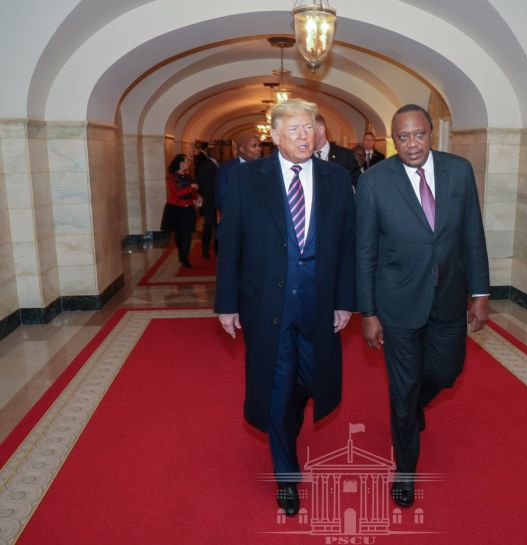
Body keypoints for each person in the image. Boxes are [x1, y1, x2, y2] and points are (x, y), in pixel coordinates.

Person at [215, 99, 356, 517]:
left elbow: (348, 243)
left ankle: (292, 412)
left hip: (320, 304)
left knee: (312, 381)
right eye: (292, 130)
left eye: (308, 128)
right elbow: (231, 245)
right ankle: (286, 475)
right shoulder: (246, 180)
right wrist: (226, 304)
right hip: (267, 307)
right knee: (276, 390)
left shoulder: (335, 177)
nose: (302, 136)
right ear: (273, 136)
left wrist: (346, 300)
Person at [355, 104, 490, 508]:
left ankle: (413, 407)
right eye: (402, 137)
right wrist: (368, 312)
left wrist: (480, 293)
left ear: (432, 134)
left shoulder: (459, 171)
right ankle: (406, 469)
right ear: (391, 140)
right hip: (396, 302)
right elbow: (365, 251)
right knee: (403, 385)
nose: (411, 144)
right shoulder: (375, 181)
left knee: (448, 372)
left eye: (419, 134)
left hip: (448, 295)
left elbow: (472, 233)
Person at [160, 154, 200, 267]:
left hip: (188, 209)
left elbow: (194, 193)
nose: (189, 163)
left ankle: (184, 258)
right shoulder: (171, 178)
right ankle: (182, 253)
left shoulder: (189, 177)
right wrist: (191, 187)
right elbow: (177, 193)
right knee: (178, 235)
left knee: (187, 234)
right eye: (187, 161)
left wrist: (196, 199)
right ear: (181, 163)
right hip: (175, 209)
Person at [215, 132, 262, 211]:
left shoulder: (265, 166)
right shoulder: (227, 169)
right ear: (242, 149)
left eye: (259, 145)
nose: (259, 149)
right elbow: (220, 199)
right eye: (254, 146)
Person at [313, 114, 361, 188]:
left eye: (309, 129)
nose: (304, 135)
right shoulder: (305, 157)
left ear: (321, 130)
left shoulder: (345, 155)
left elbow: (358, 185)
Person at [195, 143, 219, 258]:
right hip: (210, 199)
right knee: (209, 226)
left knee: (215, 225)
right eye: (217, 152)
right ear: (212, 153)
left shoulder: (213, 163)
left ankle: (216, 249)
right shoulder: (206, 165)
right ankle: (205, 251)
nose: (219, 153)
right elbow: (202, 183)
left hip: (215, 199)